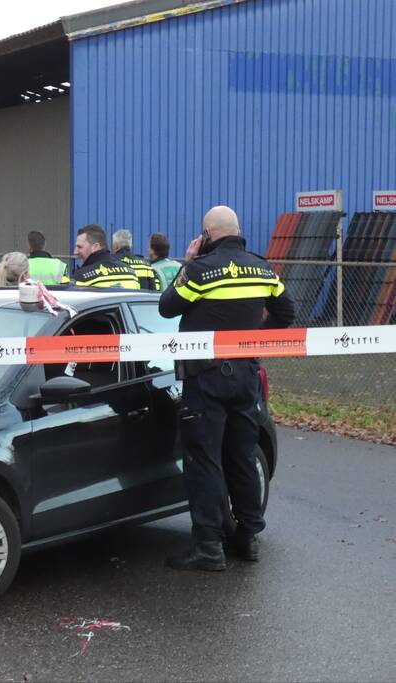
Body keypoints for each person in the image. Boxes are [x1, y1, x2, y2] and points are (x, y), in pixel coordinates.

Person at [159, 206, 295, 572]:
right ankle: (248, 538)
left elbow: (166, 308)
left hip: (207, 379)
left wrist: (187, 264)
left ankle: (208, 547)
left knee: (203, 460)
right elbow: (286, 313)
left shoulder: (200, 270)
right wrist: (249, 341)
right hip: (246, 377)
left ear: (206, 234)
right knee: (242, 457)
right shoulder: (262, 266)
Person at [70, 225, 141, 289]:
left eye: (79, 247)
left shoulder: (82, 277)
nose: (75, 252)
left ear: (95, 247)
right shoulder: (131, 272)